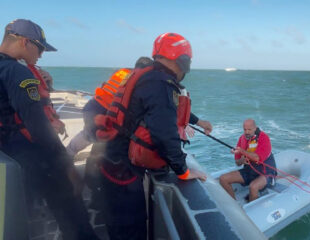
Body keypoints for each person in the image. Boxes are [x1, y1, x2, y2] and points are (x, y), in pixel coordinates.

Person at [89, 32, 211, 240]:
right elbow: (164, 133)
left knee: (116, 223)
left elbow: (160, 112)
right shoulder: (160, 83)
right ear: (183, 61)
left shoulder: (147, 76)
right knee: (131, 228)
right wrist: (182, 170)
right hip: (122, 169)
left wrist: (197, 121)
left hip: (111, 157)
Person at [0, 19, 99, 239]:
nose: (41, 55)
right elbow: (39, 128)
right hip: (31, 156)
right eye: (40, 48)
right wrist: (67, 166)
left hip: (7, 154)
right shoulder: (18, 74)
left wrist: (48, 85)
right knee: (73, 214)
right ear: (25, 42)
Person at [219, 119, 277, 202]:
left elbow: (257, 158)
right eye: (245, 129)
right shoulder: (242, 139)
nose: (246, 132)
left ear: (255, 128)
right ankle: (235, 206)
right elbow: (237, 163)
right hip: (249, 171)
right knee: (223, 179)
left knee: (253, 186)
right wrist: (242, 160)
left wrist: (242, 151)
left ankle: (253, 208)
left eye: (249, 129)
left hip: (265, 172)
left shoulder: (264, 138)